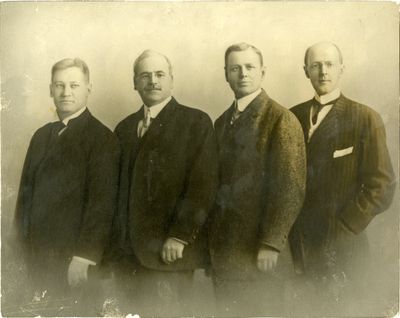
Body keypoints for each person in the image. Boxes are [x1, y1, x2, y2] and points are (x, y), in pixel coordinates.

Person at [289, 41, 396, 315]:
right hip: (300, 246)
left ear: (341, 69)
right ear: (306, 71)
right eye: (315, 65)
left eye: (329, 64)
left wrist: (346, 226)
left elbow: (381, 186)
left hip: (345, 248)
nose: (323, 71)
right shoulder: (292, 117)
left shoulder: (364, 117)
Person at [112, 50, 218, 316]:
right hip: (127, 255)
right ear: (134, 82)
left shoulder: (195, 122)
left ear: (171, 80)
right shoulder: (124, 128)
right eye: (145, 75)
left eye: (160, 74)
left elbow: (203, 185)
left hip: (168, 253)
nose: (153, 81)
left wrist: (179, 236)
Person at [14, 58, 120, 316]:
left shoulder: (102, 138)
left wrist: (84, 257)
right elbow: (24, 198)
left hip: (74, 261)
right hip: (36, 255)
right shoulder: (41, 135)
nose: (66, 92)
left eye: (74, 85)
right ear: (50, 90)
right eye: (59, 86)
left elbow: (102, 204)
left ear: (88, 89)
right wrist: (17, 249)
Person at [208, 42, 306, 316]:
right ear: (226, 74)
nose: (243, 74)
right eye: (235, 68)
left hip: (261, 256)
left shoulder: (280, 119)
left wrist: (271, 243)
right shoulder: (221, 122)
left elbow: (291, 187)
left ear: (263, 71)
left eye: (250, 67)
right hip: (226, 256)